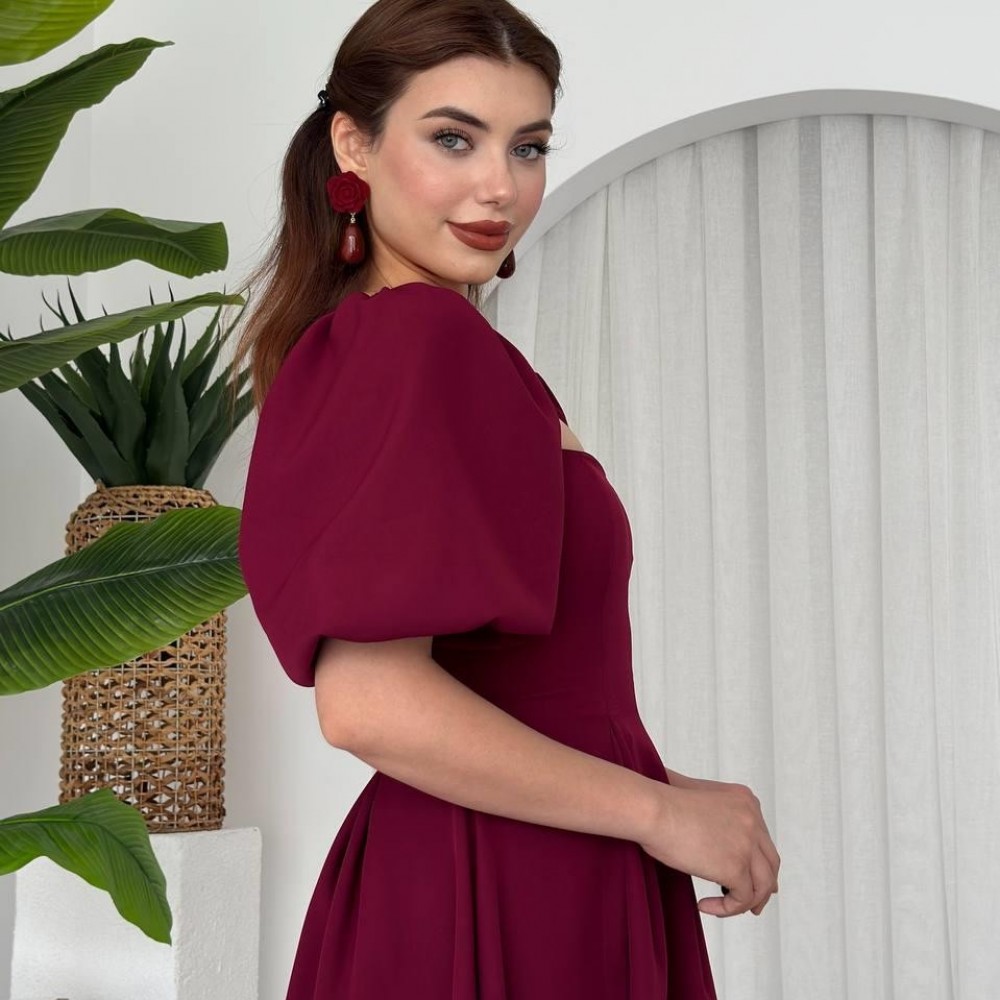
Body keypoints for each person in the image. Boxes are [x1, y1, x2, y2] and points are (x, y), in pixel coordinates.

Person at [233, 0, 780, 995]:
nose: (500, 185)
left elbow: (522, 687)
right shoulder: (416, 339)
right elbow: (369, 704)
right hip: (494, 881)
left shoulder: (410, 346)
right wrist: (659, 812)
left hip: (516, 855)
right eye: (454, 138)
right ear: (353, 143)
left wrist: (670, 790)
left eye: (527, 146)